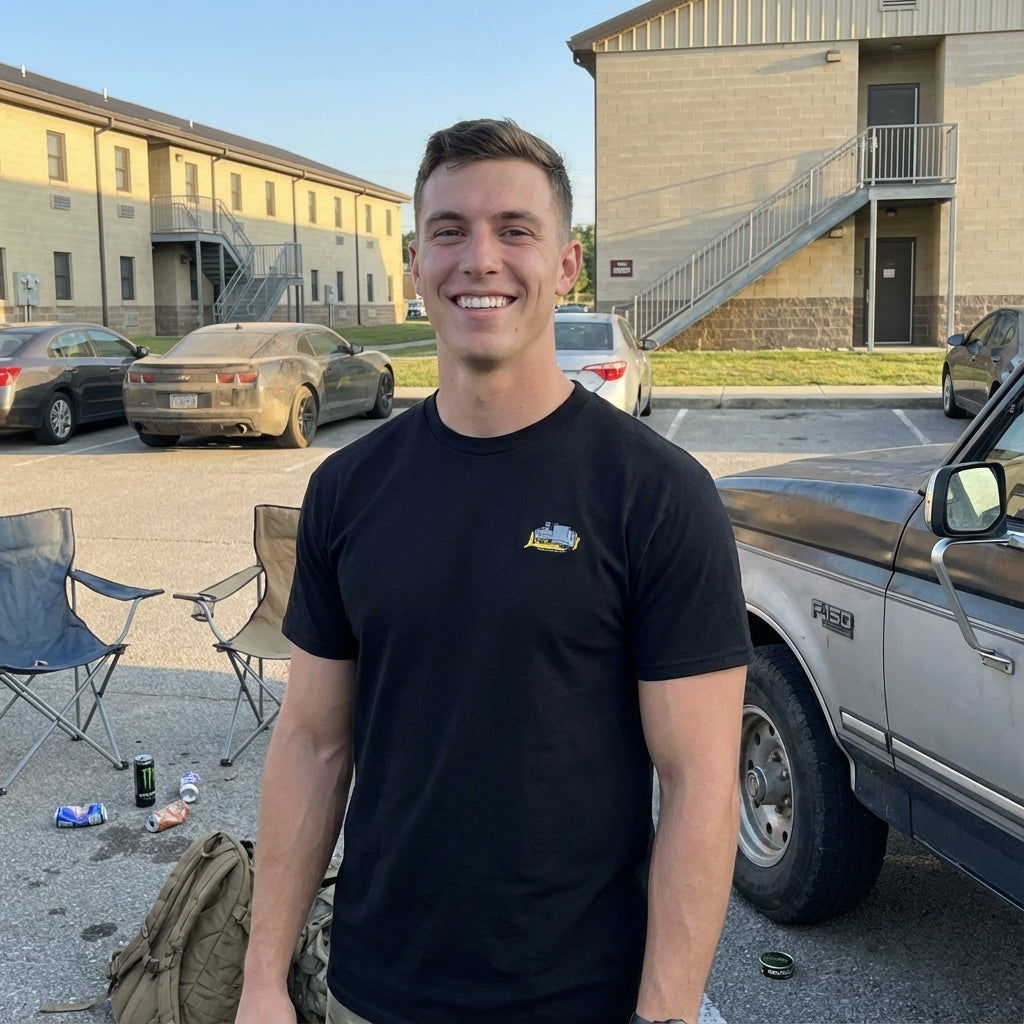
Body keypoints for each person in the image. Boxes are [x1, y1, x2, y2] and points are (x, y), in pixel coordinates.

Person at [235, 118, 751, 1024]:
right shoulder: (349, 490)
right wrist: (263, 979)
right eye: (449, 231)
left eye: (515, 229)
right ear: (414, 263)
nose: (480, 258)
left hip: (586, 996)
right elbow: (313, 745)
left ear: (566, 264)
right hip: (375, 989)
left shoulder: (657, 496)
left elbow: (701, 783)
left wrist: (665, 1013)